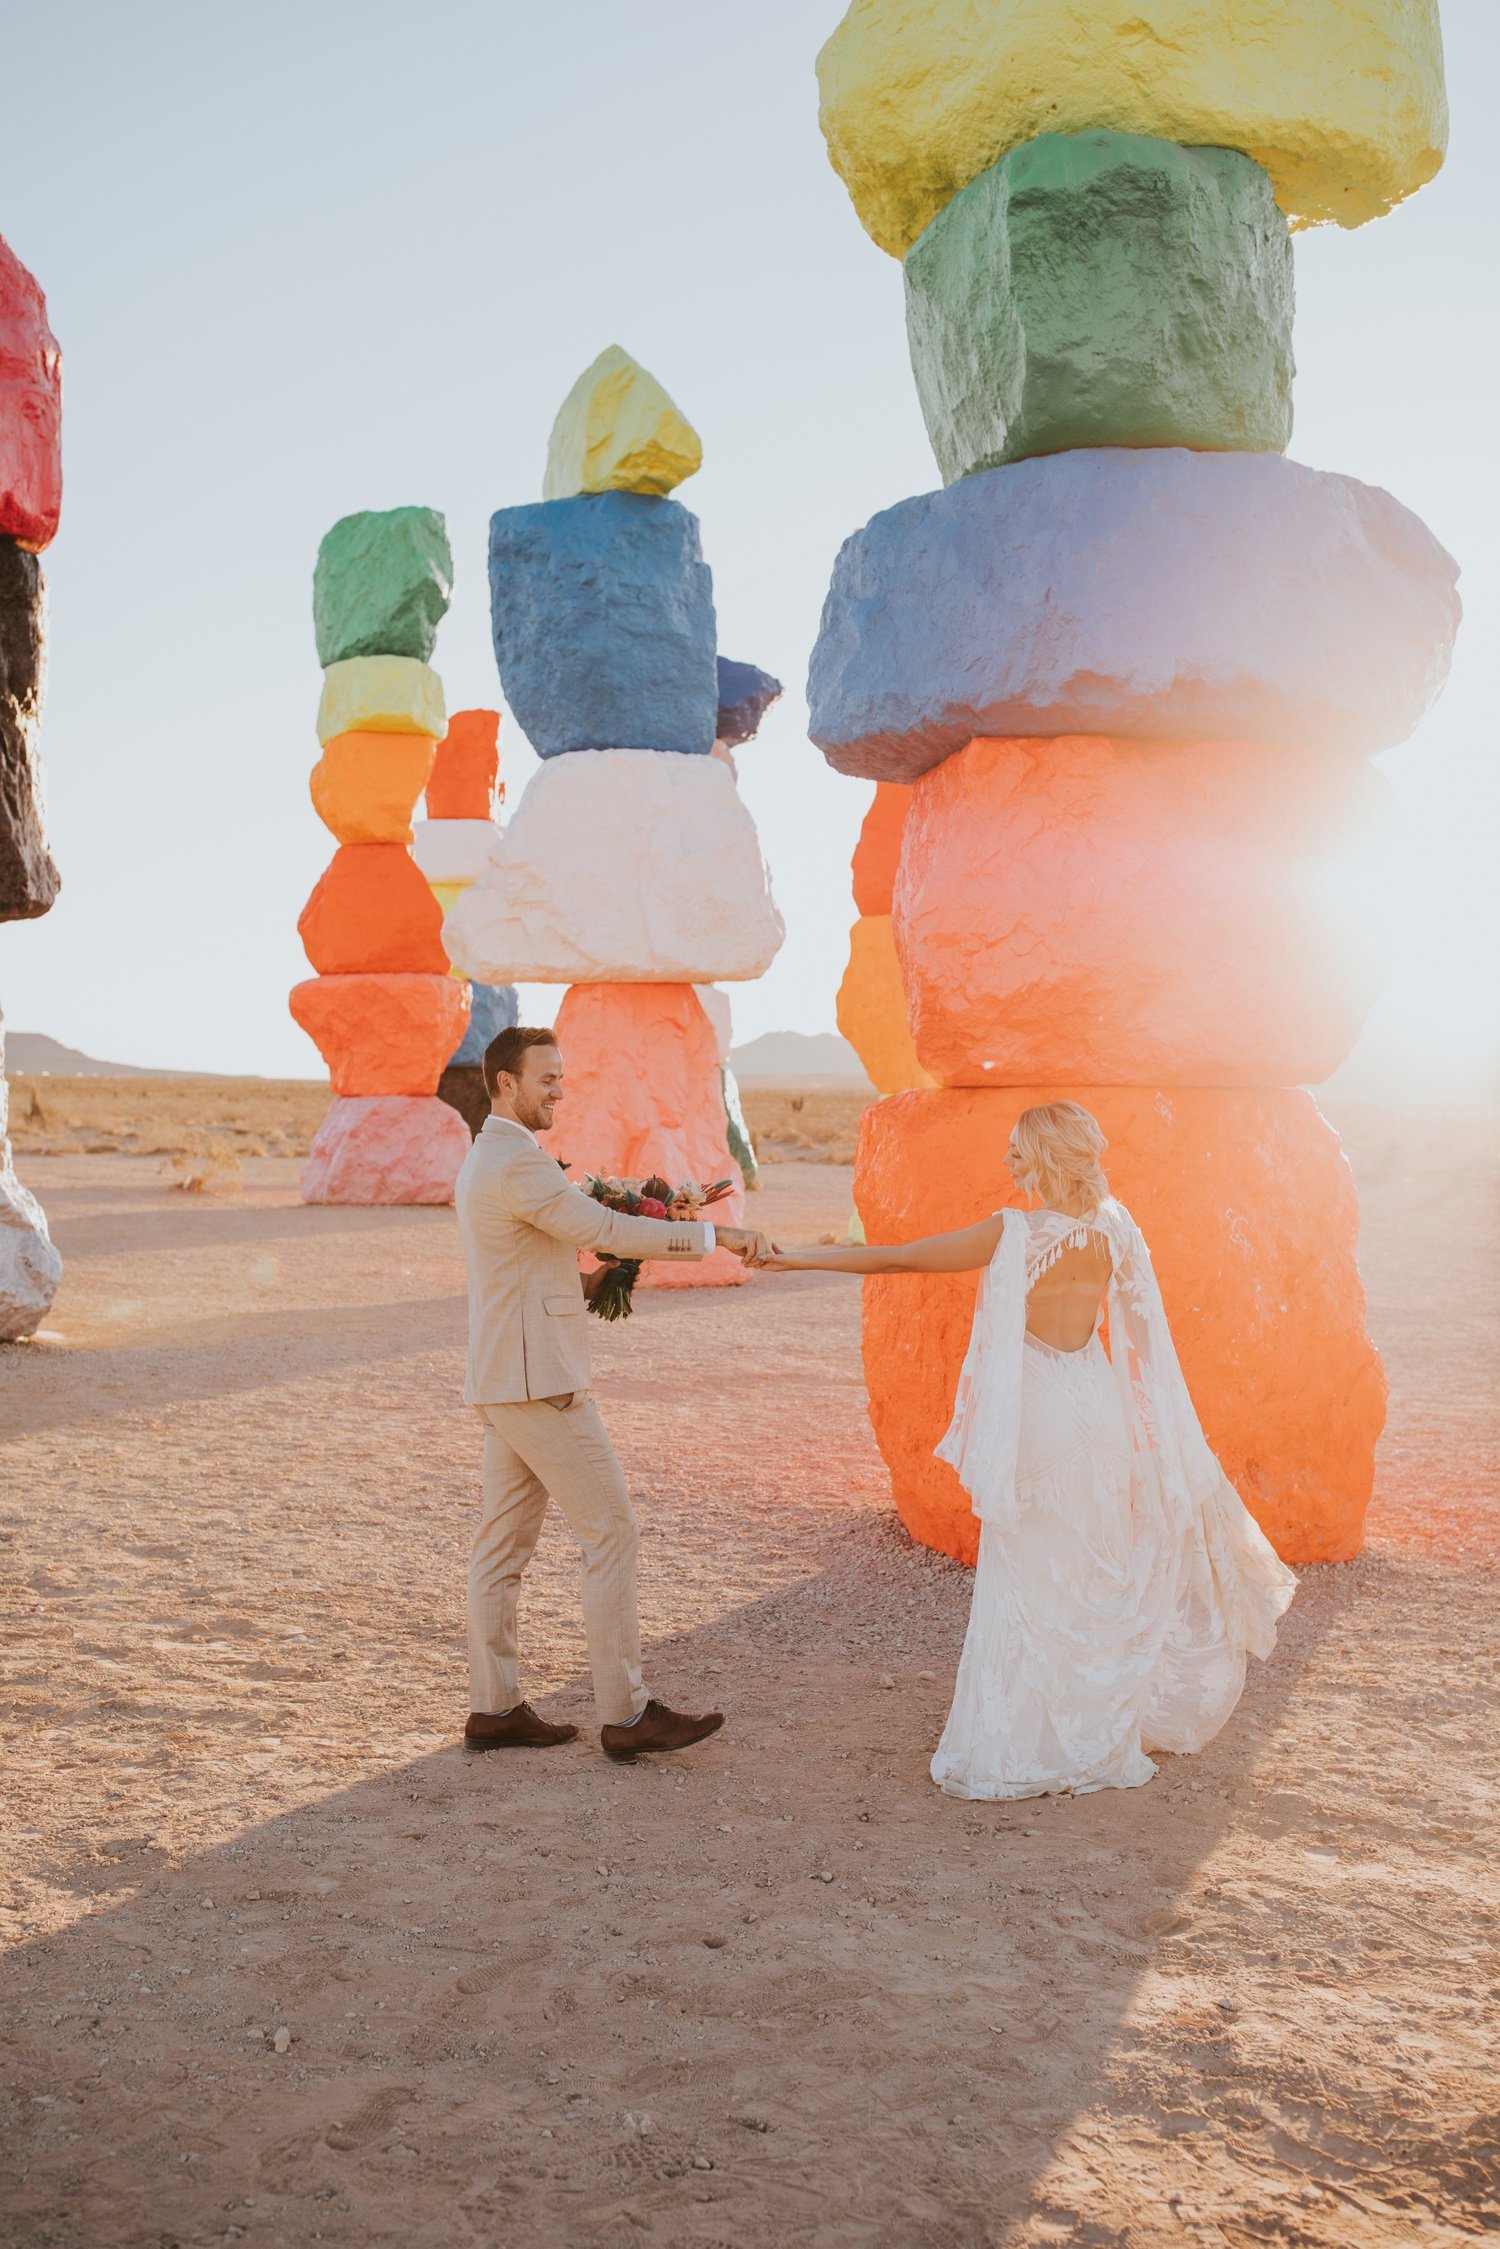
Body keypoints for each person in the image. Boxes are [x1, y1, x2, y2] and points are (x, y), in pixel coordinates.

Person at [750, 1102, 1296, 1800]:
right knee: (1092, 1564)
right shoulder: (1117, 1229)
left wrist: (791, 1254)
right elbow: (1146, 1341)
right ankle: (1095, 1728)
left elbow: (898, 1256)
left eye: (1017, 1149)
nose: (1008, 1160)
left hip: (1040, 1412)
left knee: (1032, 1571)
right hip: (1097, 1408)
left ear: (1045, 1154)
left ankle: (1029, 1740)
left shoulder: (1012, 1233)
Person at [455, 1025, 771, 1760]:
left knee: (500, 1549)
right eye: (546, 1079)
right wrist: (715, 1237)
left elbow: (520, 1265)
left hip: (506, 1377)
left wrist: (586, 1281)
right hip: (540, 1381)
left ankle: (495, 1708)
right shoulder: (517, 1165)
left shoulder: (490, 1161)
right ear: (504, 1082)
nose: (559, 1091)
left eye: (563, 1078)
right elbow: (598, 1224)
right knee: (612, 1533)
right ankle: (627, 1716)